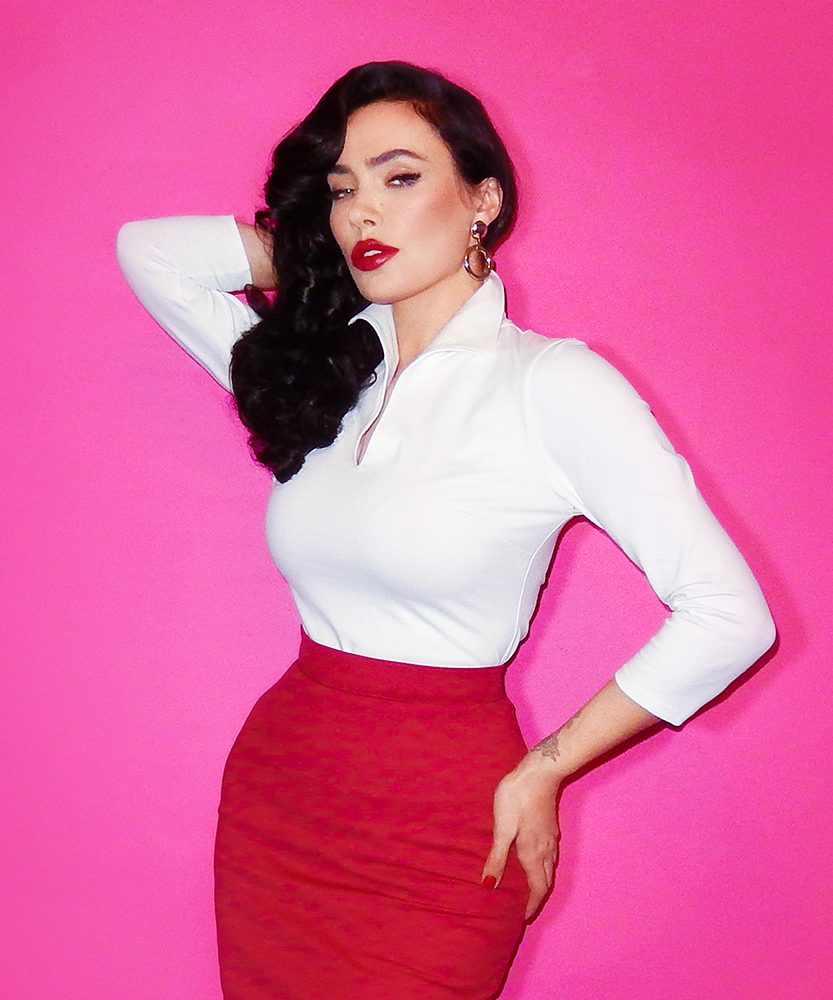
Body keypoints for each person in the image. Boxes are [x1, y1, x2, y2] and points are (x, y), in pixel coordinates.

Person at [116, 61, 775, 1000]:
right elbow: (149, 252)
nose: (362, 212)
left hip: (438, 833)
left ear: (482, 200)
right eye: (342, 189)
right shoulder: (319, 377)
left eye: (400, 177)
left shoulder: (552, 383)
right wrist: (311, 255)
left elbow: (729, 615)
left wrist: (544, 771)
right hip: (280, 805)